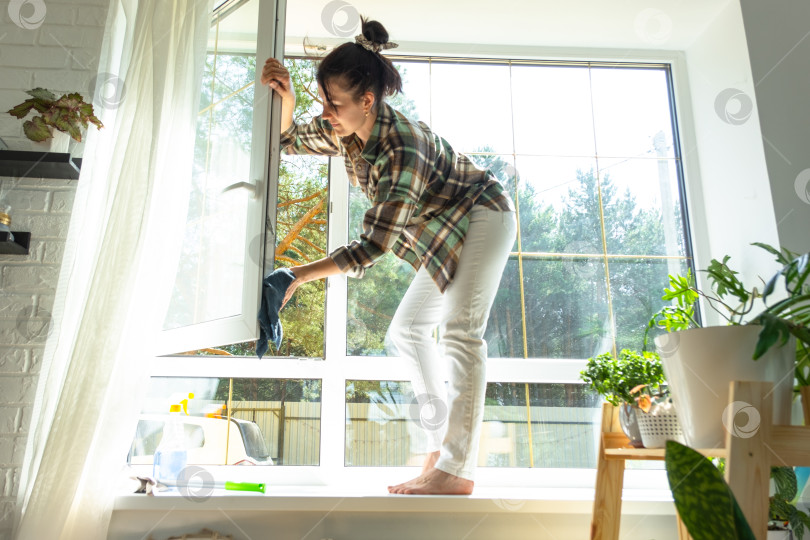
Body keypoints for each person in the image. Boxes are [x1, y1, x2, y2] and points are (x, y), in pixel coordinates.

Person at [260, 17, 516, 495]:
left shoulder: (403, 146)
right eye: (323, 102)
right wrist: (289, 99)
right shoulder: (345, 128)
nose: (328, 113)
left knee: (461, 330)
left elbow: (374, 245)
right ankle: (440, 452)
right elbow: (287, 141)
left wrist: (297, 274)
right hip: (444, 229)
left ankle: (457, 471)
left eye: (334, 104)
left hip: (484, 214)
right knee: (408, 330)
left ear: (368, 100)